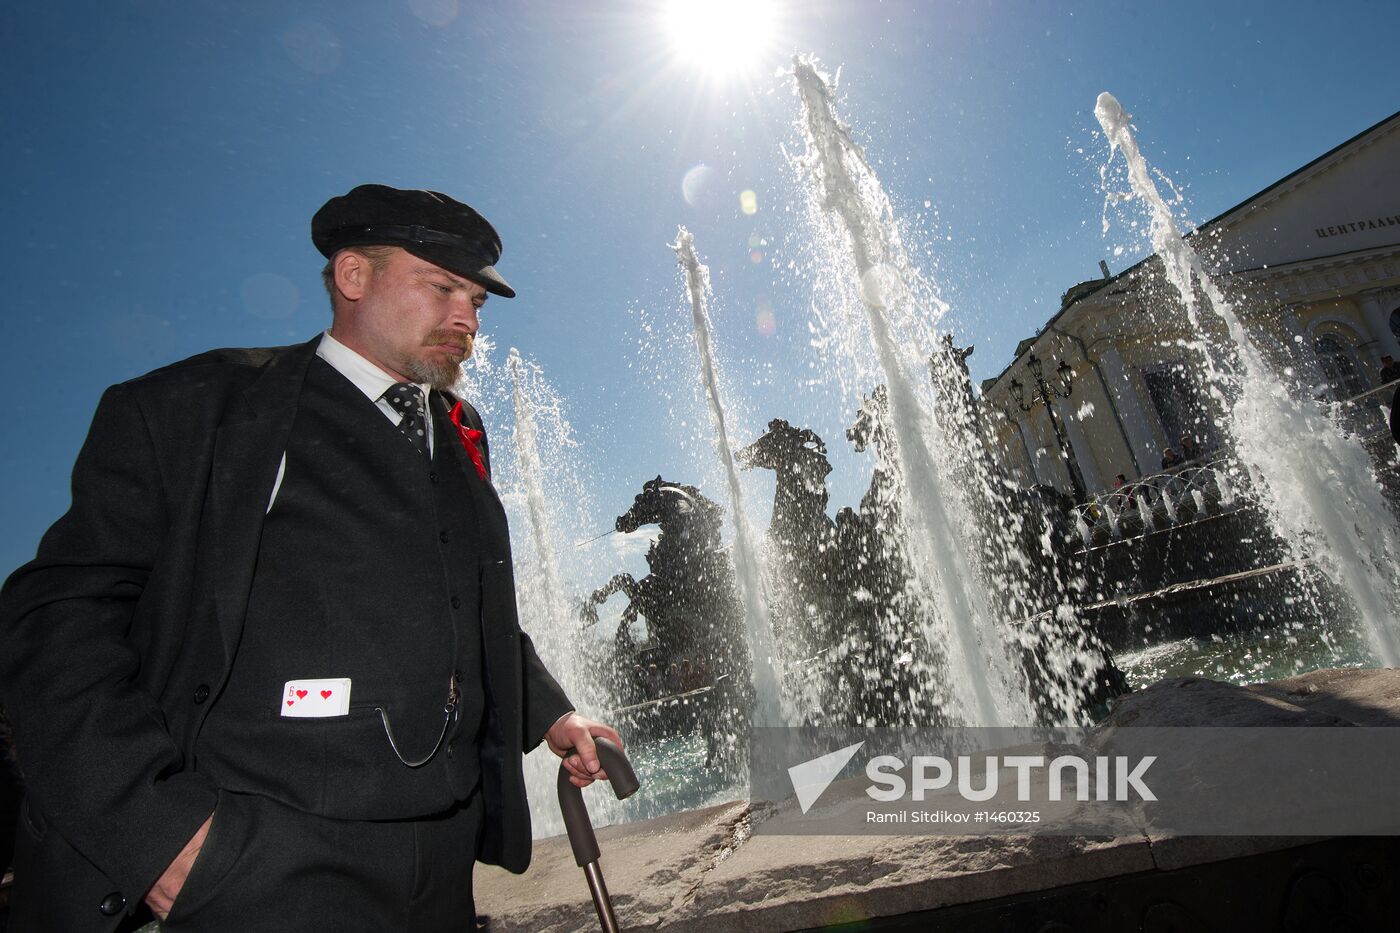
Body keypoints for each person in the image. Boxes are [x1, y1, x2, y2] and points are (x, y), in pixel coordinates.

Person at [0, 184, 620, 932]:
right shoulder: (196, 410)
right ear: (353, 277)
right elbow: (57, 624)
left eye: (478, 301)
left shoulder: (461, 431)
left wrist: (552, 712)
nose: (467, 318)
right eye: (443, 287)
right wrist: (157, 835)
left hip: (444, 867)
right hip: (260, 869)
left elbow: (473, 610)